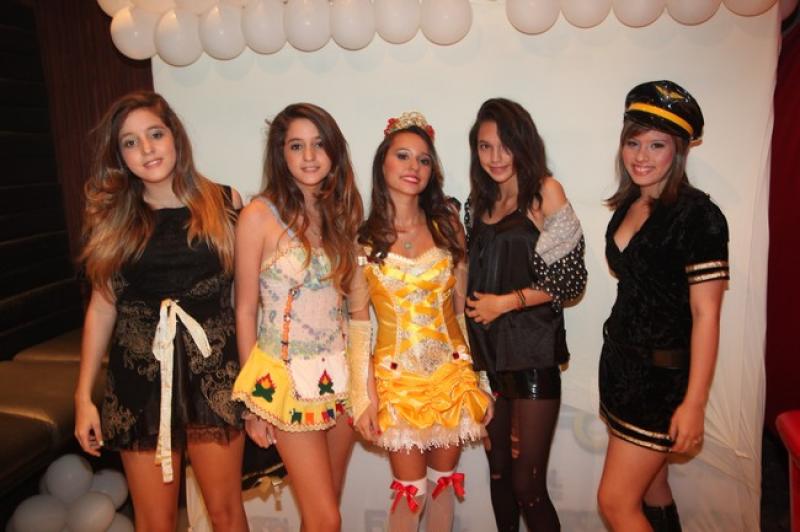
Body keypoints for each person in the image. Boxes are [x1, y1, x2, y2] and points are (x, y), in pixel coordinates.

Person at [74, 91, 248, 531]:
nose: (147, 149)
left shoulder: (225, 201)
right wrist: (82, 397)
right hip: (140, 381)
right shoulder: (111, 217)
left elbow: (248, 299)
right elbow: (101, 307)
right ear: (119, 155)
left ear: (175, 137)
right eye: (130, 142)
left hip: (214, 375)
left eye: (155, 134)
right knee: (155, 522)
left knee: (228, 516)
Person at [596, 80, 729, 532]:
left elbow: (707, 315)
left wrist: (694, 403)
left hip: (660, 383)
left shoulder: (698, 216)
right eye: (633, 142)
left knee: (615, 503)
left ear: (679, 151)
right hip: (621, 371)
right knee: (652, 487)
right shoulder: (630, 203)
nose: (642, 156)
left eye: (657, 145)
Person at [349, 112, 492, 532]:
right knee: (410, 494)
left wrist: (480, 383)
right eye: (403, 156)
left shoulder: (448, 228)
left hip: (451, 377)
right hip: (397, 385)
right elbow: (359, 325)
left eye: (424, 159)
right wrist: (362, 397)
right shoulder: (363, 241)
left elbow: (462, 311)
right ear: (383, 164)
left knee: (442, 486)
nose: (414, 166)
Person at [232, 103, 363, 532]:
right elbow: (245, 309)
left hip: (339, 378)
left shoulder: (340, 215)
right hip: (285, 381)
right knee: (327, 518)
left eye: (319, 144)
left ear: (333, 152)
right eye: (296, 145)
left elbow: (351, 306)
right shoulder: (258, 216)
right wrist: (254, 404)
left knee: (322, 512)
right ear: (281, 153)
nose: (309, 156)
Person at [463, 98, 587, 532]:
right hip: (488, 360)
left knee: (527, 485)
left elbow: (571, 280)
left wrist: (504, 303)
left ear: (524, 144)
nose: (495, 157)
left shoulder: (544, 193)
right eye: (485, 146)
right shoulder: (477, 204)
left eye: (506, 145)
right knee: (498, 476)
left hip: (532, 355)